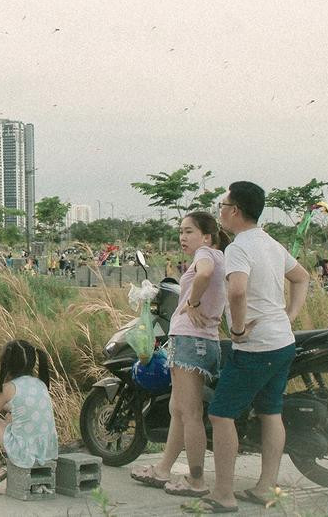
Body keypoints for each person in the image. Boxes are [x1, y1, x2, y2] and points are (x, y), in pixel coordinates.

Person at [194, 182, 310, 514]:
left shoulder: (239, 247)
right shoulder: (271, 243)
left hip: (256, 346)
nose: (220, 211)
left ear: (235, 211)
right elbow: (301, 277)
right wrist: (290, 314)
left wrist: (238, 329)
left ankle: (224, 494)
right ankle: (264, 488)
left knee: (220, 414)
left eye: (222, 205)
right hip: (282, 341)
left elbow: (237, 292)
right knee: (271, 412)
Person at [131, 211, 228, 498]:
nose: (182, 237)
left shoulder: (206, 255)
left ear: (207, 237)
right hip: (200, 340)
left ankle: (196, 480)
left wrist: (193, 301)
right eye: (181, 232)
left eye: (189, 231)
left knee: (190, 414)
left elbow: (205, 274)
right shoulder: (219, 256)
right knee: (178, 409)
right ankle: (163, 469)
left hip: (191, 340)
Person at [0, 340, 59, 493]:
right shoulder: (40, 383)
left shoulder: (8, 388)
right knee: (10, 416)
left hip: (24, 453)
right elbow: (19, 407)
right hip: (46, 451)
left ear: (7, 363)